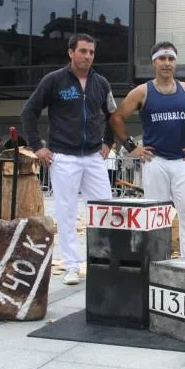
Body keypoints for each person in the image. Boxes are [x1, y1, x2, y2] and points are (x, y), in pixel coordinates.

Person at [22, 33, 116, 285]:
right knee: (66, 212)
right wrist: (37, 146)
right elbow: (29, 112)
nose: (88, 56)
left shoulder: (101, 83)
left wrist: (108, 142)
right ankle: (71, 266)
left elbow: (113, 116)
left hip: (94, 156)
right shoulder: (54, 80)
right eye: (83, 51)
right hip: (63, 157)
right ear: (71, 52)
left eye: (91, 52)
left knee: (105, 209)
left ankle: (102, 261)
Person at [109, 41, 185, 257]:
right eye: (162, 58)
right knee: (157, 214)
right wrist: (132, 147)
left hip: (182, 161)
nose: (167, 63)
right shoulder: (142, 92)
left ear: (175, 62)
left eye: (171, 59)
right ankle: (157, 259)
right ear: (154, 62)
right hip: (155, 161)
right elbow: (116, 118)